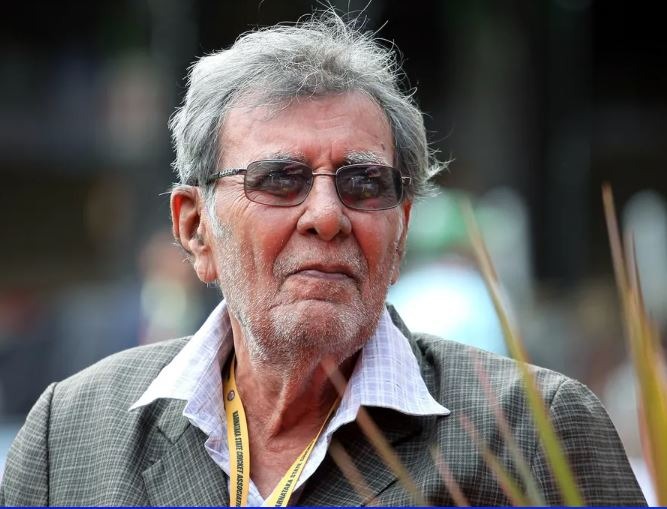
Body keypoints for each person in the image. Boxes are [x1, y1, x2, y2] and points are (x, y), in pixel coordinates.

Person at [0, 11, 646, 506]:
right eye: (280, 180)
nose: (328, 215)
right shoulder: (72, 431)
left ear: (400, 231)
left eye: (364, 183)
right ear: (195, 229)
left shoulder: (534, 431)